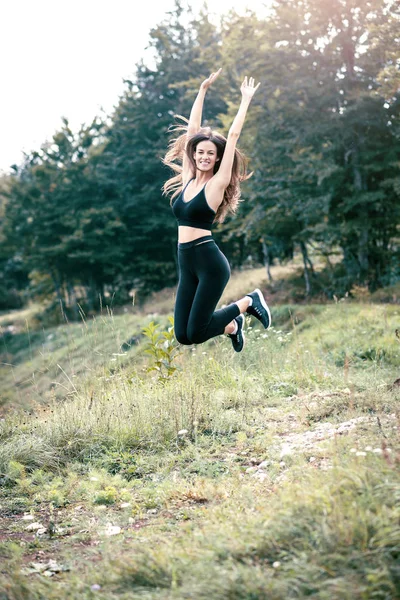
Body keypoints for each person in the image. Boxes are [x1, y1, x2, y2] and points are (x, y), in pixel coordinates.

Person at [162, 68, 271, 352]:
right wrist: (201, 92)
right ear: (194, 155)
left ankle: (248, 302)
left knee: (196, 332)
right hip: (185, 261)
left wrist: (245, 100)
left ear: (217, 158)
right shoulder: (188, 178)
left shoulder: (216, 184)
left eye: (211, 153)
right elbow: (192, 132)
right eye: (200, 152)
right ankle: (231, 326)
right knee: (183, 335)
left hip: (209, 263)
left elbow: (233, 136)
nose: (204, 156)